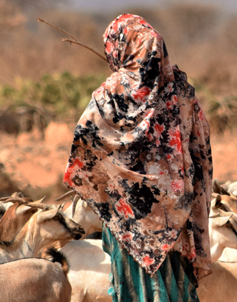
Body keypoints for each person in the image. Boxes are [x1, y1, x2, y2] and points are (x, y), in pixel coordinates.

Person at [64, 14, 213, 302]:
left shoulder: (112, 91)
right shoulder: (181, 92)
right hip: (176, 218)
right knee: (174, 287)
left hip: (128, 217)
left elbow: (85, 142)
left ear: (118, 47)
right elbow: (201, 155)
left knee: (132, 287)